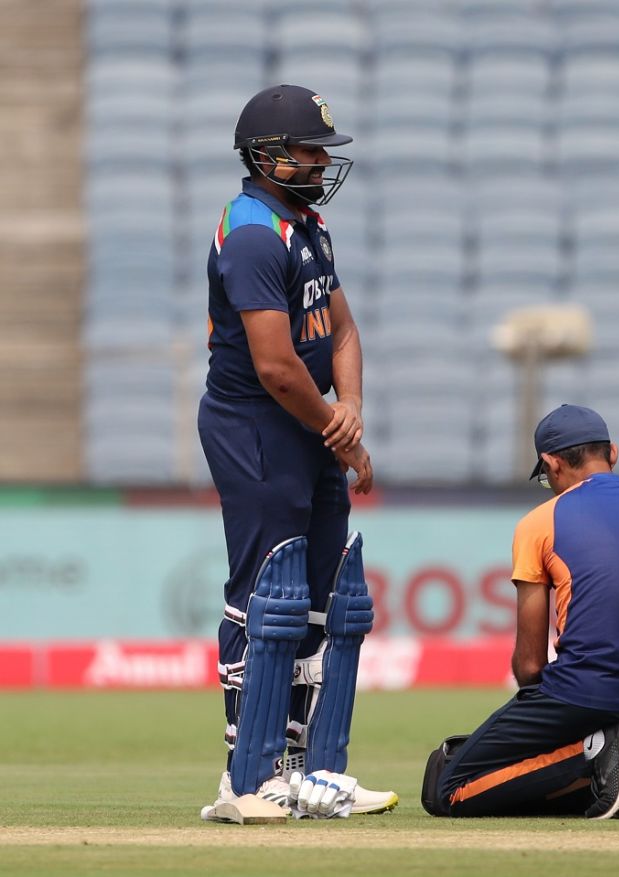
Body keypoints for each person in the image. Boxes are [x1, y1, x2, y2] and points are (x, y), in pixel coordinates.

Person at [197, 84, 396, 822]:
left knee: (319, 603)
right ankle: (242, 778)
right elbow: (277, 366)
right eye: (309, 151)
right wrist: (338, 429)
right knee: (264, 594)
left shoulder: (308, 226)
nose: (321, 162)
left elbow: (342, 333)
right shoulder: (253, 233)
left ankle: (307, 772)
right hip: (255, 426)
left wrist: (349, 414)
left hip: (307, 426)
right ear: (267, 156)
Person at [420, 404, 619, 819]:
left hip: (584, 692)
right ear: (612, 454)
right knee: (560, 740)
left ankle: (599, 757)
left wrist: (580, 704)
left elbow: (529, 666)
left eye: (546, 476)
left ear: (552, 462)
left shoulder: (541, 522)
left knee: (445, 787)